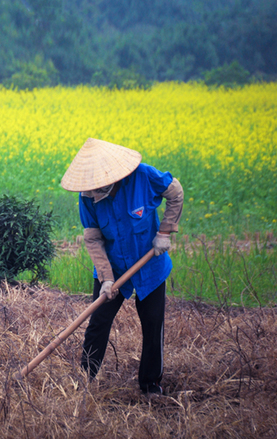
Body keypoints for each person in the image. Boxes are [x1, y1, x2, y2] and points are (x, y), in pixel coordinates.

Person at [60, 138, 184, 396]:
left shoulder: (144, 176)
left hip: (149, 264)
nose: (91, 193)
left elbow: (175, 192)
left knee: (153, 323)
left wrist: (165, 231)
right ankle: (85, 381)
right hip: (112, 266)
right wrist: (105, 278)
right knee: (98, 321)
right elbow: (93, 238)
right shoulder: (87, 198)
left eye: (96, 187)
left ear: (109, 178)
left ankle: (151, 385)